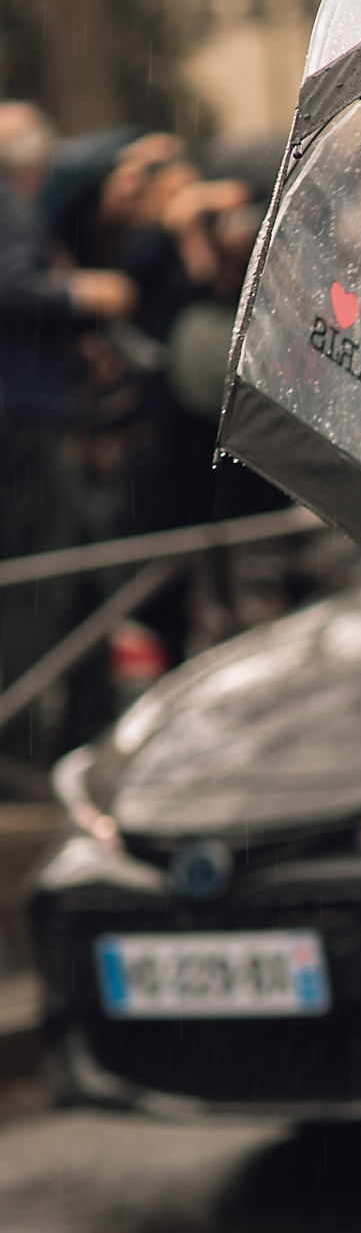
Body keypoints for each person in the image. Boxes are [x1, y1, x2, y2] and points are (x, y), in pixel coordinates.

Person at [0, 101, 135, 761]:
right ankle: (18, 741)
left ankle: (85, 728)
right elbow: (13, 289)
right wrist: (86, 294)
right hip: (25, 418)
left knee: (84, 576)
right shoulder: (8, 205)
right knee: (40, 581)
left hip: (36, 414)